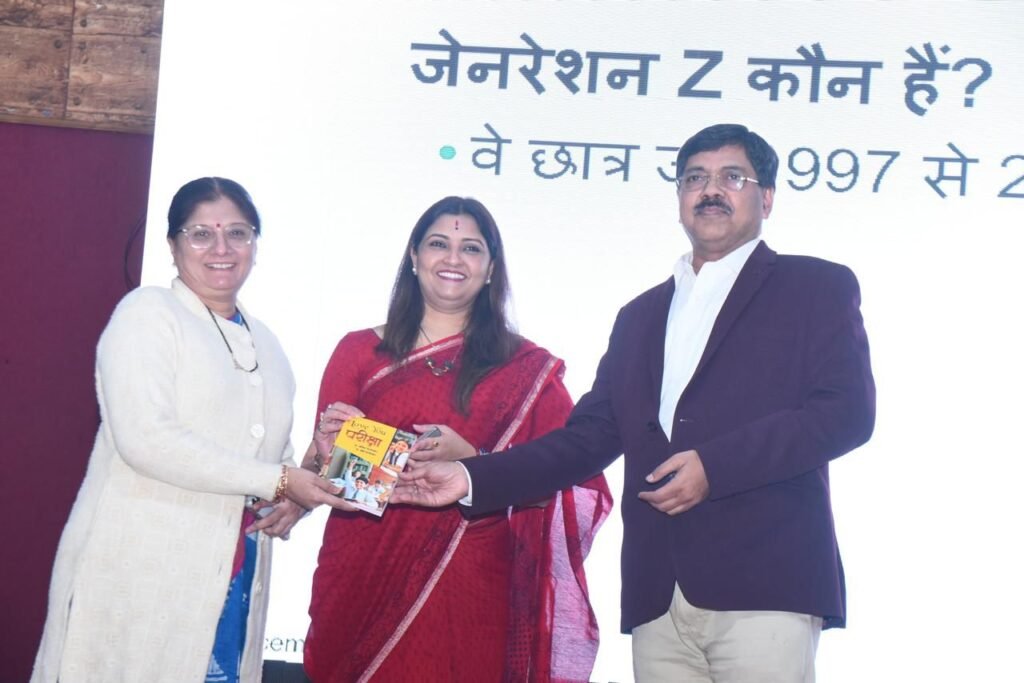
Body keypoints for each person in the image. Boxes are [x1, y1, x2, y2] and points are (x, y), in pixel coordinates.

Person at [393, 125, 876, 682]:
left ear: (766, 198)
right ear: (680, 198)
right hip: (658, 593)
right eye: (695, 178)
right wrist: (469, 477)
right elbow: (586, 439)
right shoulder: (640, 316)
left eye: (732, 177)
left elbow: (845, 413)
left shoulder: (815, 287)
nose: (710, 190)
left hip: (765, 583)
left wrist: (714, 468)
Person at [31, 177, 349, 683]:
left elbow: (271, 463)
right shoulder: (148, 313)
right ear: (172, 245)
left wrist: (307, 476)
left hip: (233, 575)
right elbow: (146, 439)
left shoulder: (268, 343)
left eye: (238, 233)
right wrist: (281, 481)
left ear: (255, 244)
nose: (222, 248)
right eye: (201, 234)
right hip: (142, 571)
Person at [302, 196, 612, 682]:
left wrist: (472, 462)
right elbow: (330, 476)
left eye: (471, 248)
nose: (453, 259)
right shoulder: (360, 351)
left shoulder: (525, 367)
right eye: (438, 244)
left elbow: (564, 478)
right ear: (414, 256)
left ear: (491, 269)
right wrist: (337, 457)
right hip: (363, 570)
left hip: (470, 582)